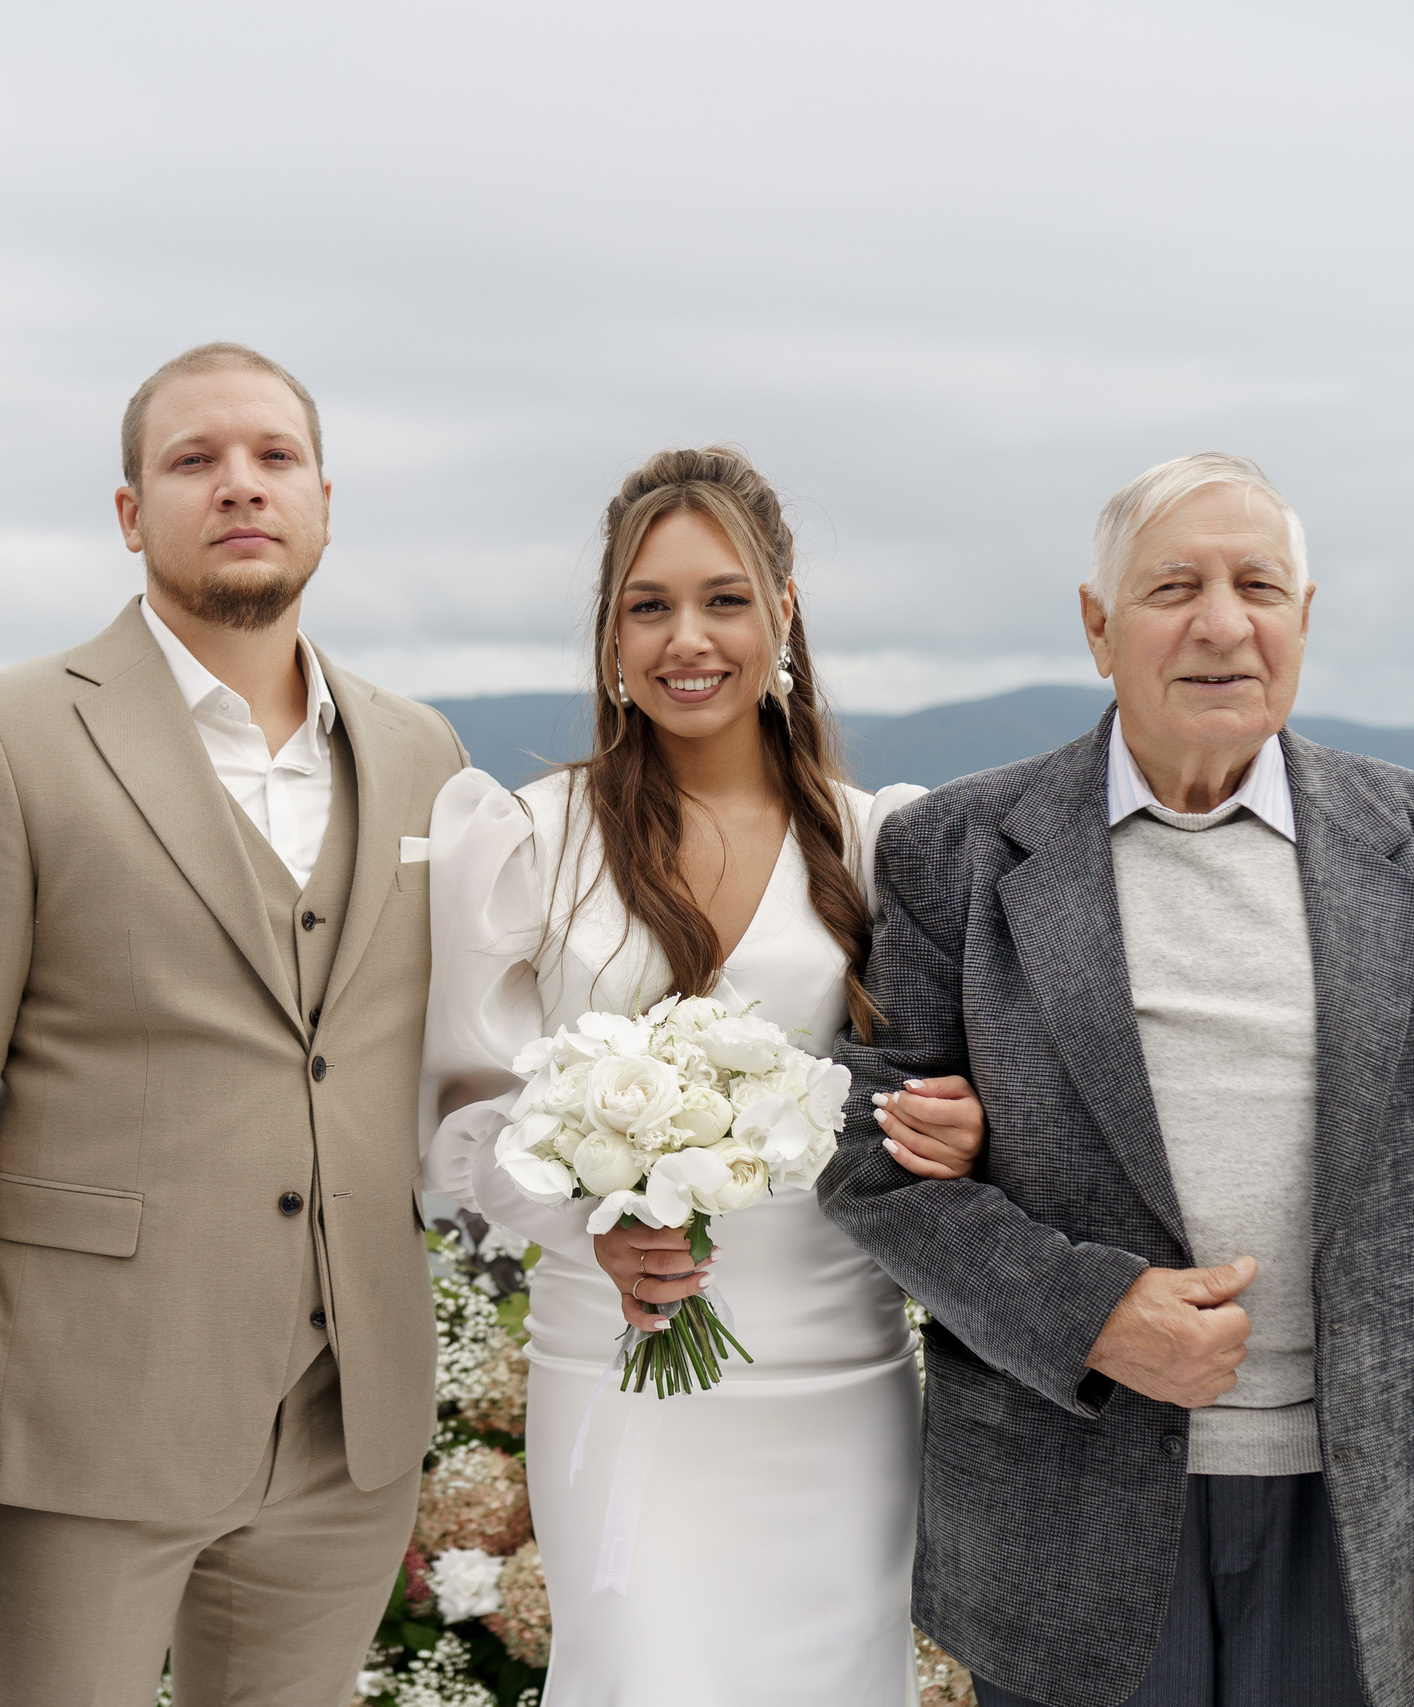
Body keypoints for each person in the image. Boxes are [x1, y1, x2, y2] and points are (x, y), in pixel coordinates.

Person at [820, 453, 1414, 1707]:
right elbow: (870, 1163)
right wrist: (1094, 1314)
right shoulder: (954, 849)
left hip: (1364, 1526)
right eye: (1174, 585)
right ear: (1096, 624)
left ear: (1302, 617)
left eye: (1258, 586)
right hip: (1062, 1518)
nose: (1223, 623)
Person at [0, 342, 467, 1706]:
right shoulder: (3, 734)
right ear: (133, 512)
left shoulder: (423, 750)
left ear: (325, 496)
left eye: (272, 457)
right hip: (81, 1421)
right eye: (194, 459)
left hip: (344, 1426)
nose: (239, 485)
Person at [421, 446, 989, 1704]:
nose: (689, 637)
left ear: (783, 614)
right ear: (611, 633)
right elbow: (463, 1120)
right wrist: (586, 1230)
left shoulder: (882, 843)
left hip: (836, 1389)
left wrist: (952, 1130)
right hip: (621, 1373)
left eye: (724, 599)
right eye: (649, 603)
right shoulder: (527, 839)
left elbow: (944, 1093)